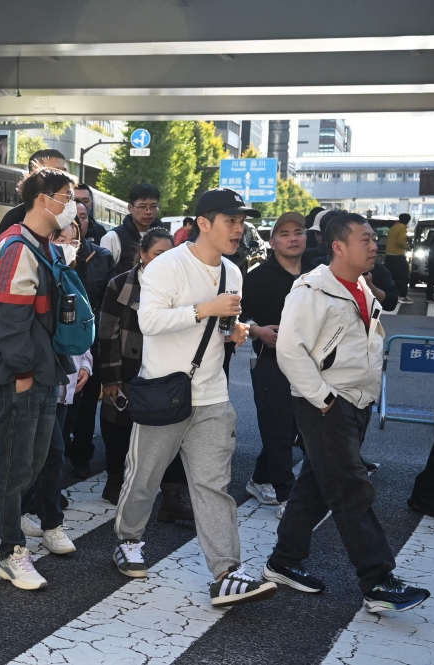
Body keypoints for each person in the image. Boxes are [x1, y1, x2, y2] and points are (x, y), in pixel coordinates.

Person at [112, 187, 279, 608]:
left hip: (212, 396)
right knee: (144, 478)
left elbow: (221, 327)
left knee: (212, 485)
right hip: (163, 393)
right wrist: (205, 309)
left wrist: (234, 330)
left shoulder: (233, 272)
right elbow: (148, 321)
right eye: (231, 221)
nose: (239, 230)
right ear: (204, 223)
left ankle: (227, 572)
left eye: (242, 222)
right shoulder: (167, 265)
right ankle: (128, 539)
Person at [268, 212, 431, 613]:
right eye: (365, 239)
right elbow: (290, 350)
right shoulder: (310, 290)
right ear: (338, 246)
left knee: (317, 485)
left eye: (374, 239)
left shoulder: (361, 286)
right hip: (327, 403)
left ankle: (284, 560)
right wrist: (324, 399)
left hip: (356, 401)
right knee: (350, 488)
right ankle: (378, 581)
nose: (375, 245)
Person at [0, 166, 76, 591]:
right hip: (24, 373)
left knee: (33, 458)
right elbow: (11, 321)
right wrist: (24, 373)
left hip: (40, 368)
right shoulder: (17, 246)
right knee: (17, 462)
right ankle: (10, 550)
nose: (71, 206)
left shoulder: (40, 244)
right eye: (66, 196)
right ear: (42, 198)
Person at [97, 227, 193, 519]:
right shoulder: (121, 284)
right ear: (142, 254)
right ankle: (115, 481)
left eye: (169, 255)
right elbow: (107, 333)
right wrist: (111, 378)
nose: (164, 261)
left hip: (166, 370)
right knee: (118, 426)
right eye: (157, 255)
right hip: (127, 367)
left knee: (171, 429)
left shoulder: (180, 285)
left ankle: (172, 494)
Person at [18, 221, 88, 555]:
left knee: (43, 455)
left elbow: (82, 330)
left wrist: (86, 364)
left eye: (73, 240)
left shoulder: (71, 279)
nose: (68, 245)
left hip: (66, 381)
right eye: (60, 238)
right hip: (40, 377)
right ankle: (50, 523)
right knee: (46, 454)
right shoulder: (40, 274)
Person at [240, 212, 306, 508]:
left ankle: (259, 478)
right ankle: (286, 496)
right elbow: (237, 317)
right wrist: (257, 331)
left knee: (295, 427)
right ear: (272, 242)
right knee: (277, 427)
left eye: (298, 232)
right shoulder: (256, 277)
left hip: (312, 363)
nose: (293, 238)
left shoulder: (318, 273)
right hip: (271, 361)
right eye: (285, 233)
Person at [62, 209, 114, 479]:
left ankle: (81, 453)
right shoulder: (49, 259)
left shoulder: (101, 256)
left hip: (89, 344)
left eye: (82, 212)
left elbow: (106, 307)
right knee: (61, 412)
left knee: (86, 404)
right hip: (59, 347)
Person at [0, 149, 69, 240]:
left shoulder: (71, 215)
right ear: (35, 177)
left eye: (64, 173)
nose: (64, 179)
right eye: (55, 173)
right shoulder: (14, 219)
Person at [99, 183, 165, 277]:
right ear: (130, 208)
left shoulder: (164, 237)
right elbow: (103, 275)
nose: (148, 211)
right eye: (142, 207)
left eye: (153, 206)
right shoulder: (113, 237)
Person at [386, 213, 412, 304]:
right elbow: (400, 241)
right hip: (398, 256)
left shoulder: (393, 228)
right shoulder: (402, 228)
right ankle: (402, 296)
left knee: (393, 277)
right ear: (408, 220)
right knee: (403, 277)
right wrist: (408, 247)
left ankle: (396, 295)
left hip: (389, 256)